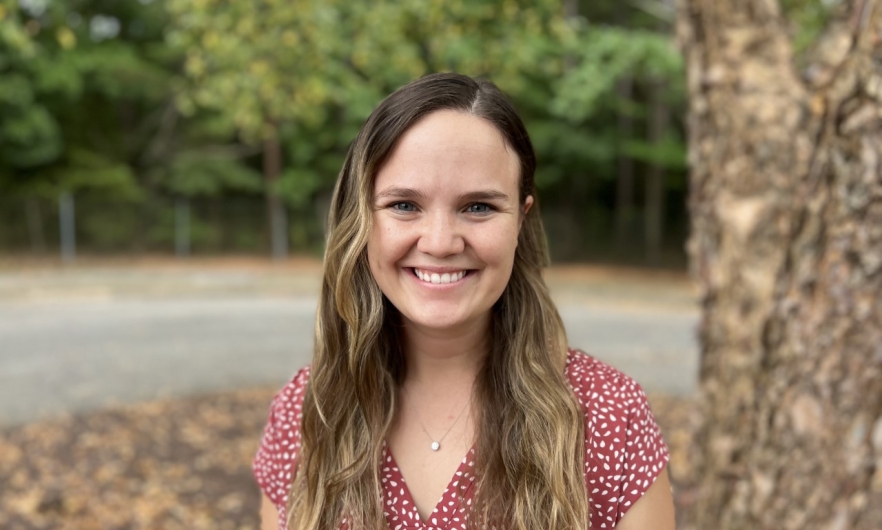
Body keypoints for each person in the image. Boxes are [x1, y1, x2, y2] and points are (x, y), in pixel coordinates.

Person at [253, 72, 675, 530]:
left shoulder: (610, 414)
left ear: (521, 220)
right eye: (404, 205)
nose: (439, 242)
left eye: (478, 207)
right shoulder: (307, 411)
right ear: (362, 219)